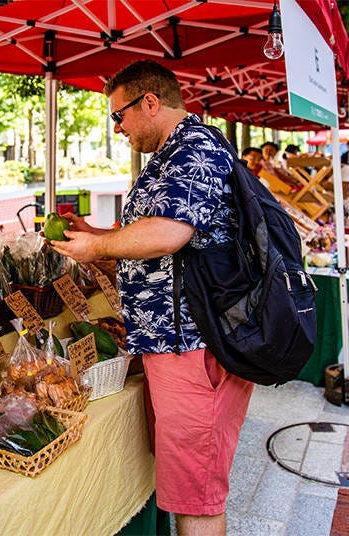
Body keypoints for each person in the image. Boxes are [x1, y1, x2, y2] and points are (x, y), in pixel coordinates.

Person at [51, 60, 253, 535]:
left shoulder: (193, 148)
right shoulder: (171, 152)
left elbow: (168, 232)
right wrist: (97, 233)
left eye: (117, 116)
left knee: (197, 494)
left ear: (149, 102)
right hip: (173, 343)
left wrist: (97, 246)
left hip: (191, 345)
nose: (116, 127)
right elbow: (153, 231)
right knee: (188, 483)